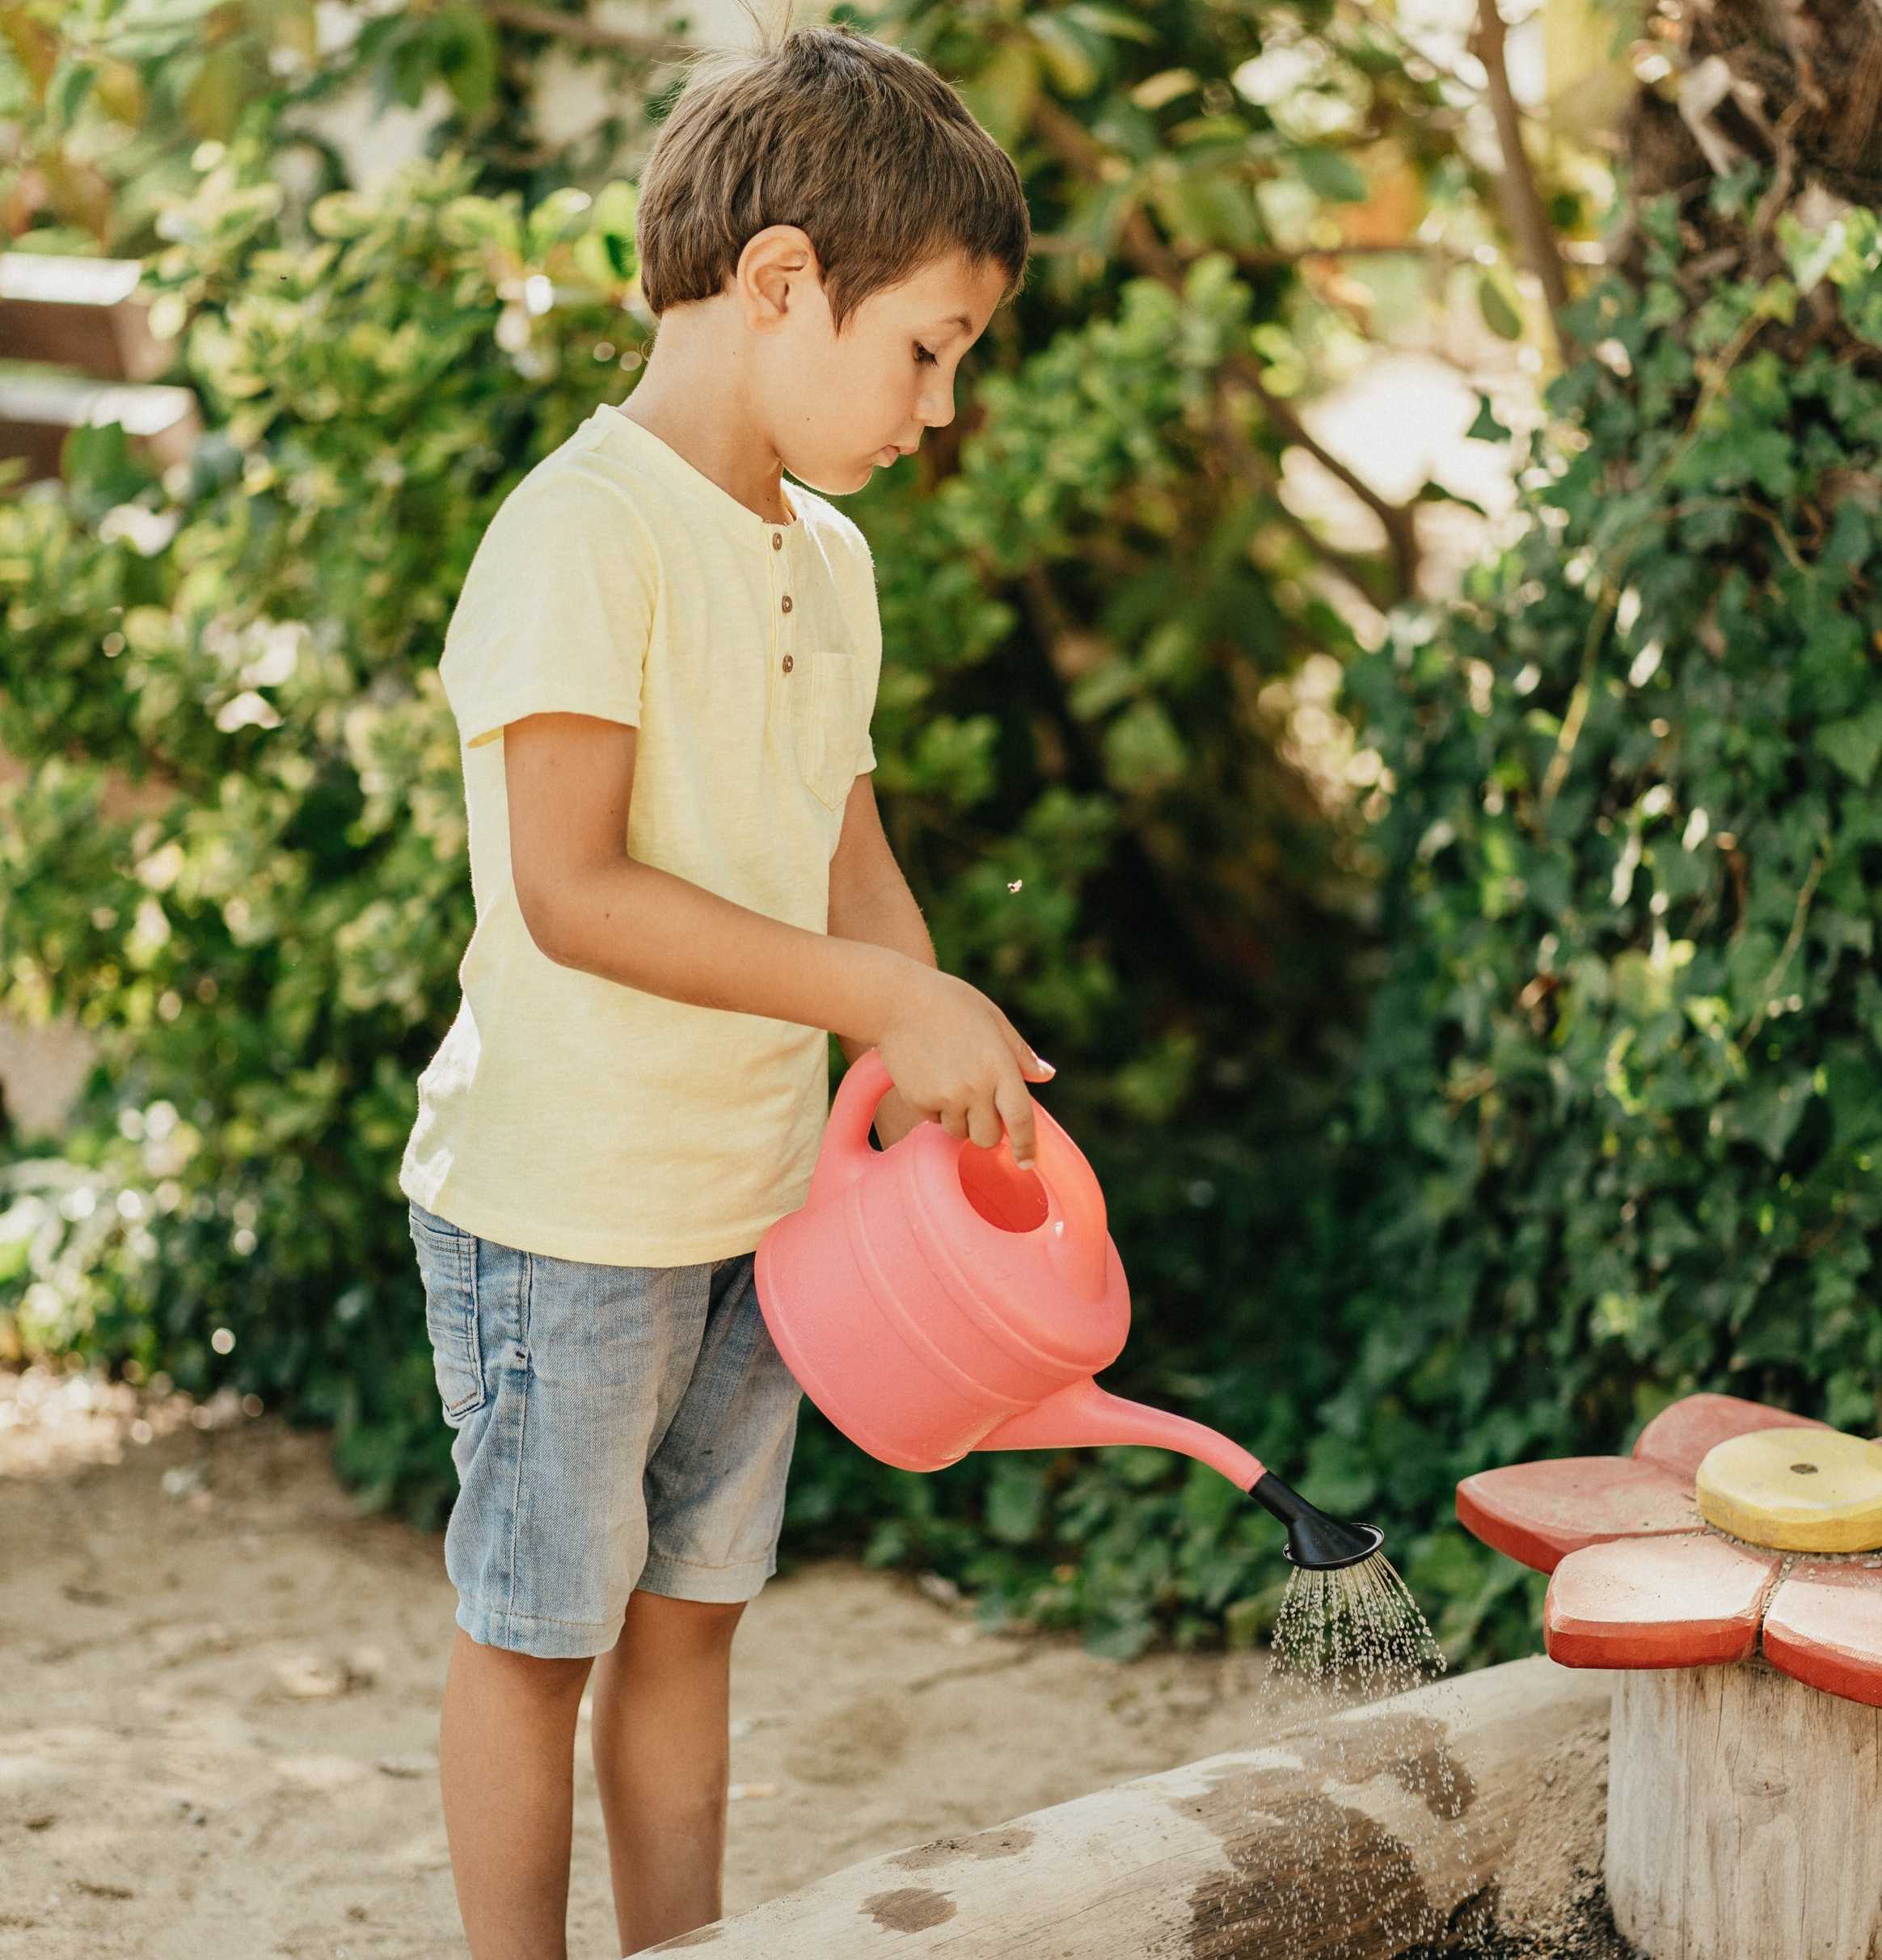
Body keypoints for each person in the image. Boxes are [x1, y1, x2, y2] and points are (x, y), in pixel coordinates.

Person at [397, 13, 1045, 1956]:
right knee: (539, 1638)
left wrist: (931, 1044)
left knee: (694, 1623)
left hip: (767, 1205)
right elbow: (574, 890)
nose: (938, 406)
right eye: (927, 348)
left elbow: (848, 854)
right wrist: (877, 989)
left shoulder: (825, 563)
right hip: (569, 1214)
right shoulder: (581, 537)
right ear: (781, 283)